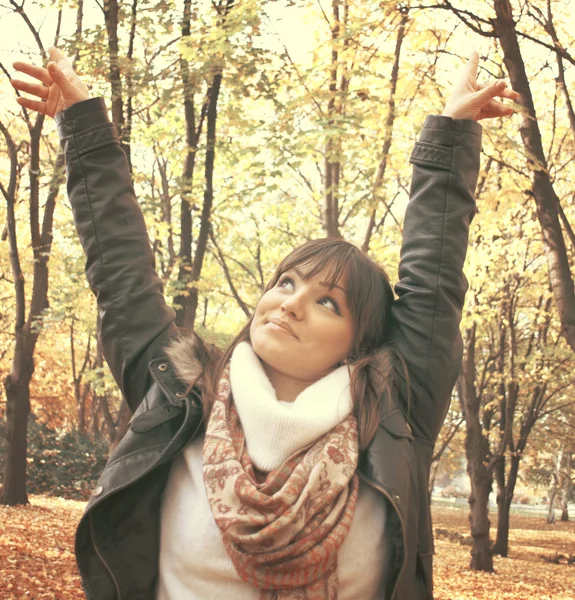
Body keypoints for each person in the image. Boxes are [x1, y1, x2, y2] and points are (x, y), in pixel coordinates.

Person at [11, 47, 516, 600]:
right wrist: (82, 124)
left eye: (329, 303)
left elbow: (432, 280)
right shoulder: (178, 394)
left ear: (361, 342)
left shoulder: (394, 413)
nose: (291, 303)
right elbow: (120, 271)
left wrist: (451, 132)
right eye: (286, 282)